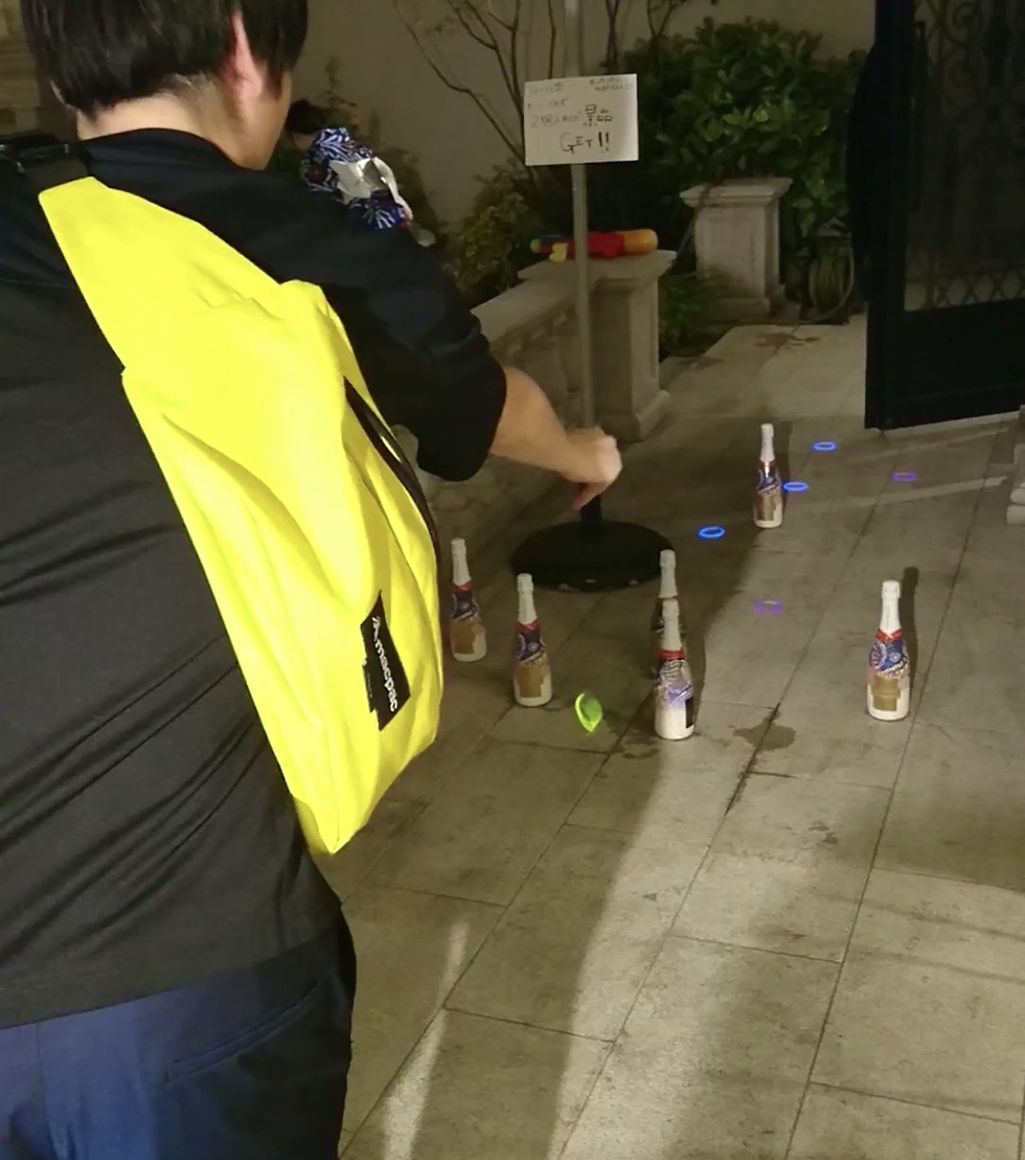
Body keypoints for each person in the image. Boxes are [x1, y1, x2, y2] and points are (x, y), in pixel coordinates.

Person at [0, 2, 622, 1158]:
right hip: (180, 977)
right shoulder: (284, 237)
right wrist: (585, 453)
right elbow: (483, 405)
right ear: (246, 49)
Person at [284, 97, 416, 234]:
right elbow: (380, 171)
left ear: (296, 136)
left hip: (366, 226)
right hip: (395, 213)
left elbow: (316, 205)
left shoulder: (314, 161)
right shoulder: (349, 144)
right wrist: (399, 202)